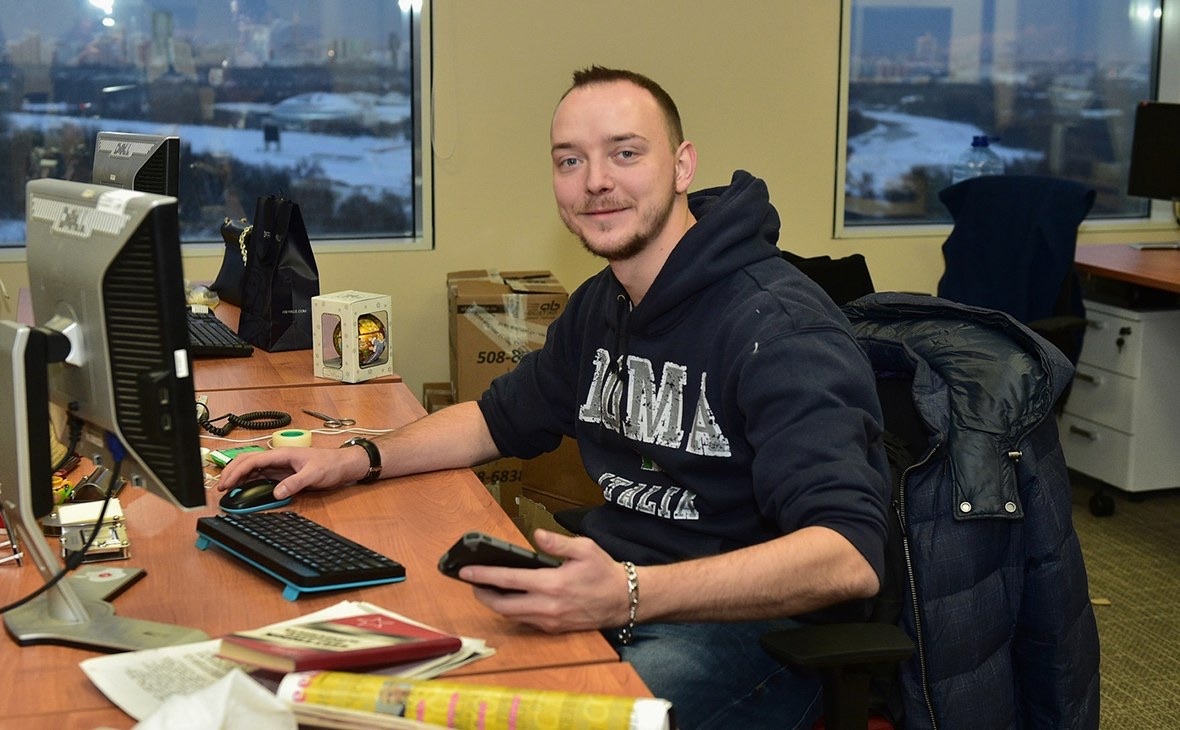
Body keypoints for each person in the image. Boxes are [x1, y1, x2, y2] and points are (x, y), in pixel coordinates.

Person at [220, 66, 890, 729]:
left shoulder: (780, 328)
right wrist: (354, 456)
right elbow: (494, 419)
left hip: (749, 632)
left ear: (683, 165)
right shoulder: (603, 303)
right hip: (614, 595)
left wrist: (629, 593)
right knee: (365, 682)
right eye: (571, 160)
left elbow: (848, 556)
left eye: (625, 153)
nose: (595, 181)